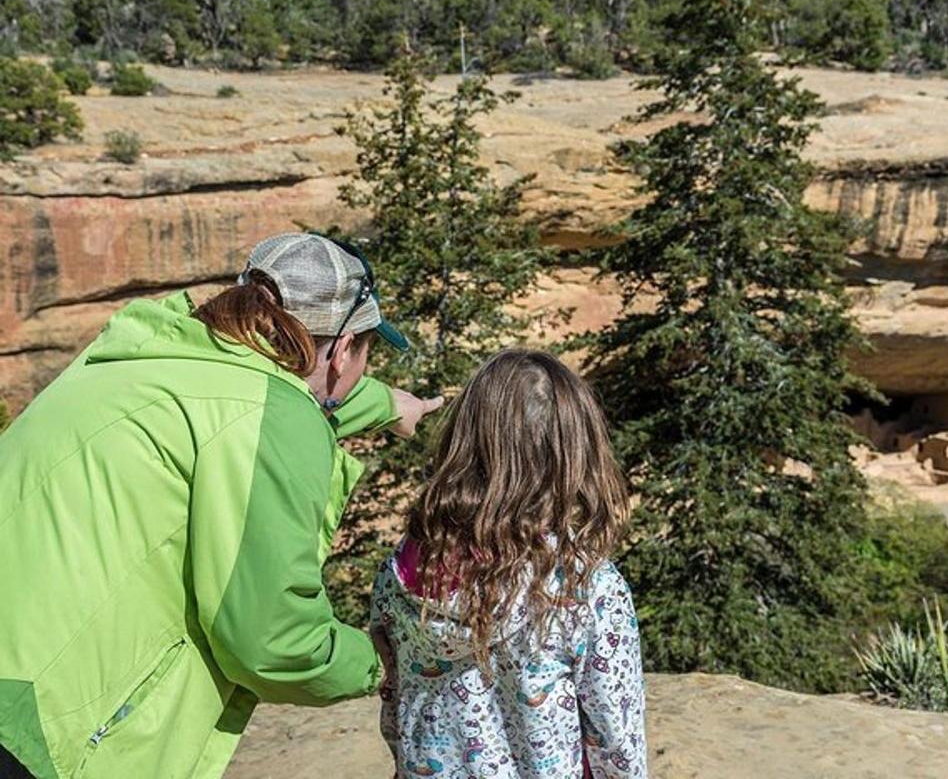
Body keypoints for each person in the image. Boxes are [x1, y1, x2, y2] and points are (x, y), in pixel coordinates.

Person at [0, 232, 443, 779]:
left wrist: (386, 404)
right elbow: (272, 638)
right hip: (45, 727)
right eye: (366, 352)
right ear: (346, 347)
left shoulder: (143, 351)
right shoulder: (268, 417)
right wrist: (380, 662)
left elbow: (256, 402)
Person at [369, 349, 647, 779]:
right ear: (573, 454)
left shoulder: (405, 572)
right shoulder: (587, 586)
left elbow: (395, 706)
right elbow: (617, 742)